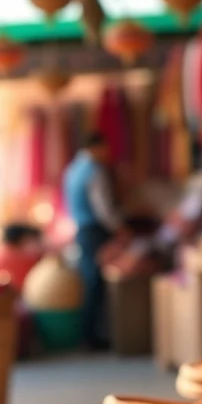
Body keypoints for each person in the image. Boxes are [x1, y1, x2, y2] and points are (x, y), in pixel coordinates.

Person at [63, 133, 125, 350]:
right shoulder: (95, 171)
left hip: (82, 230)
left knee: (89, 280)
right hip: (94, 231)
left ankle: (89, 334)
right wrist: (120, 228)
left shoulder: (72, 169)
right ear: (97, 148)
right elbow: (104, 209)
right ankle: (92, 336)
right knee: (95, 283)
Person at [0, 223, 44, 292]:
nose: (40, 245)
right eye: (34, 241)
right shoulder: (16, 259)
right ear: (22, 242)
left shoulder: (2, 257)